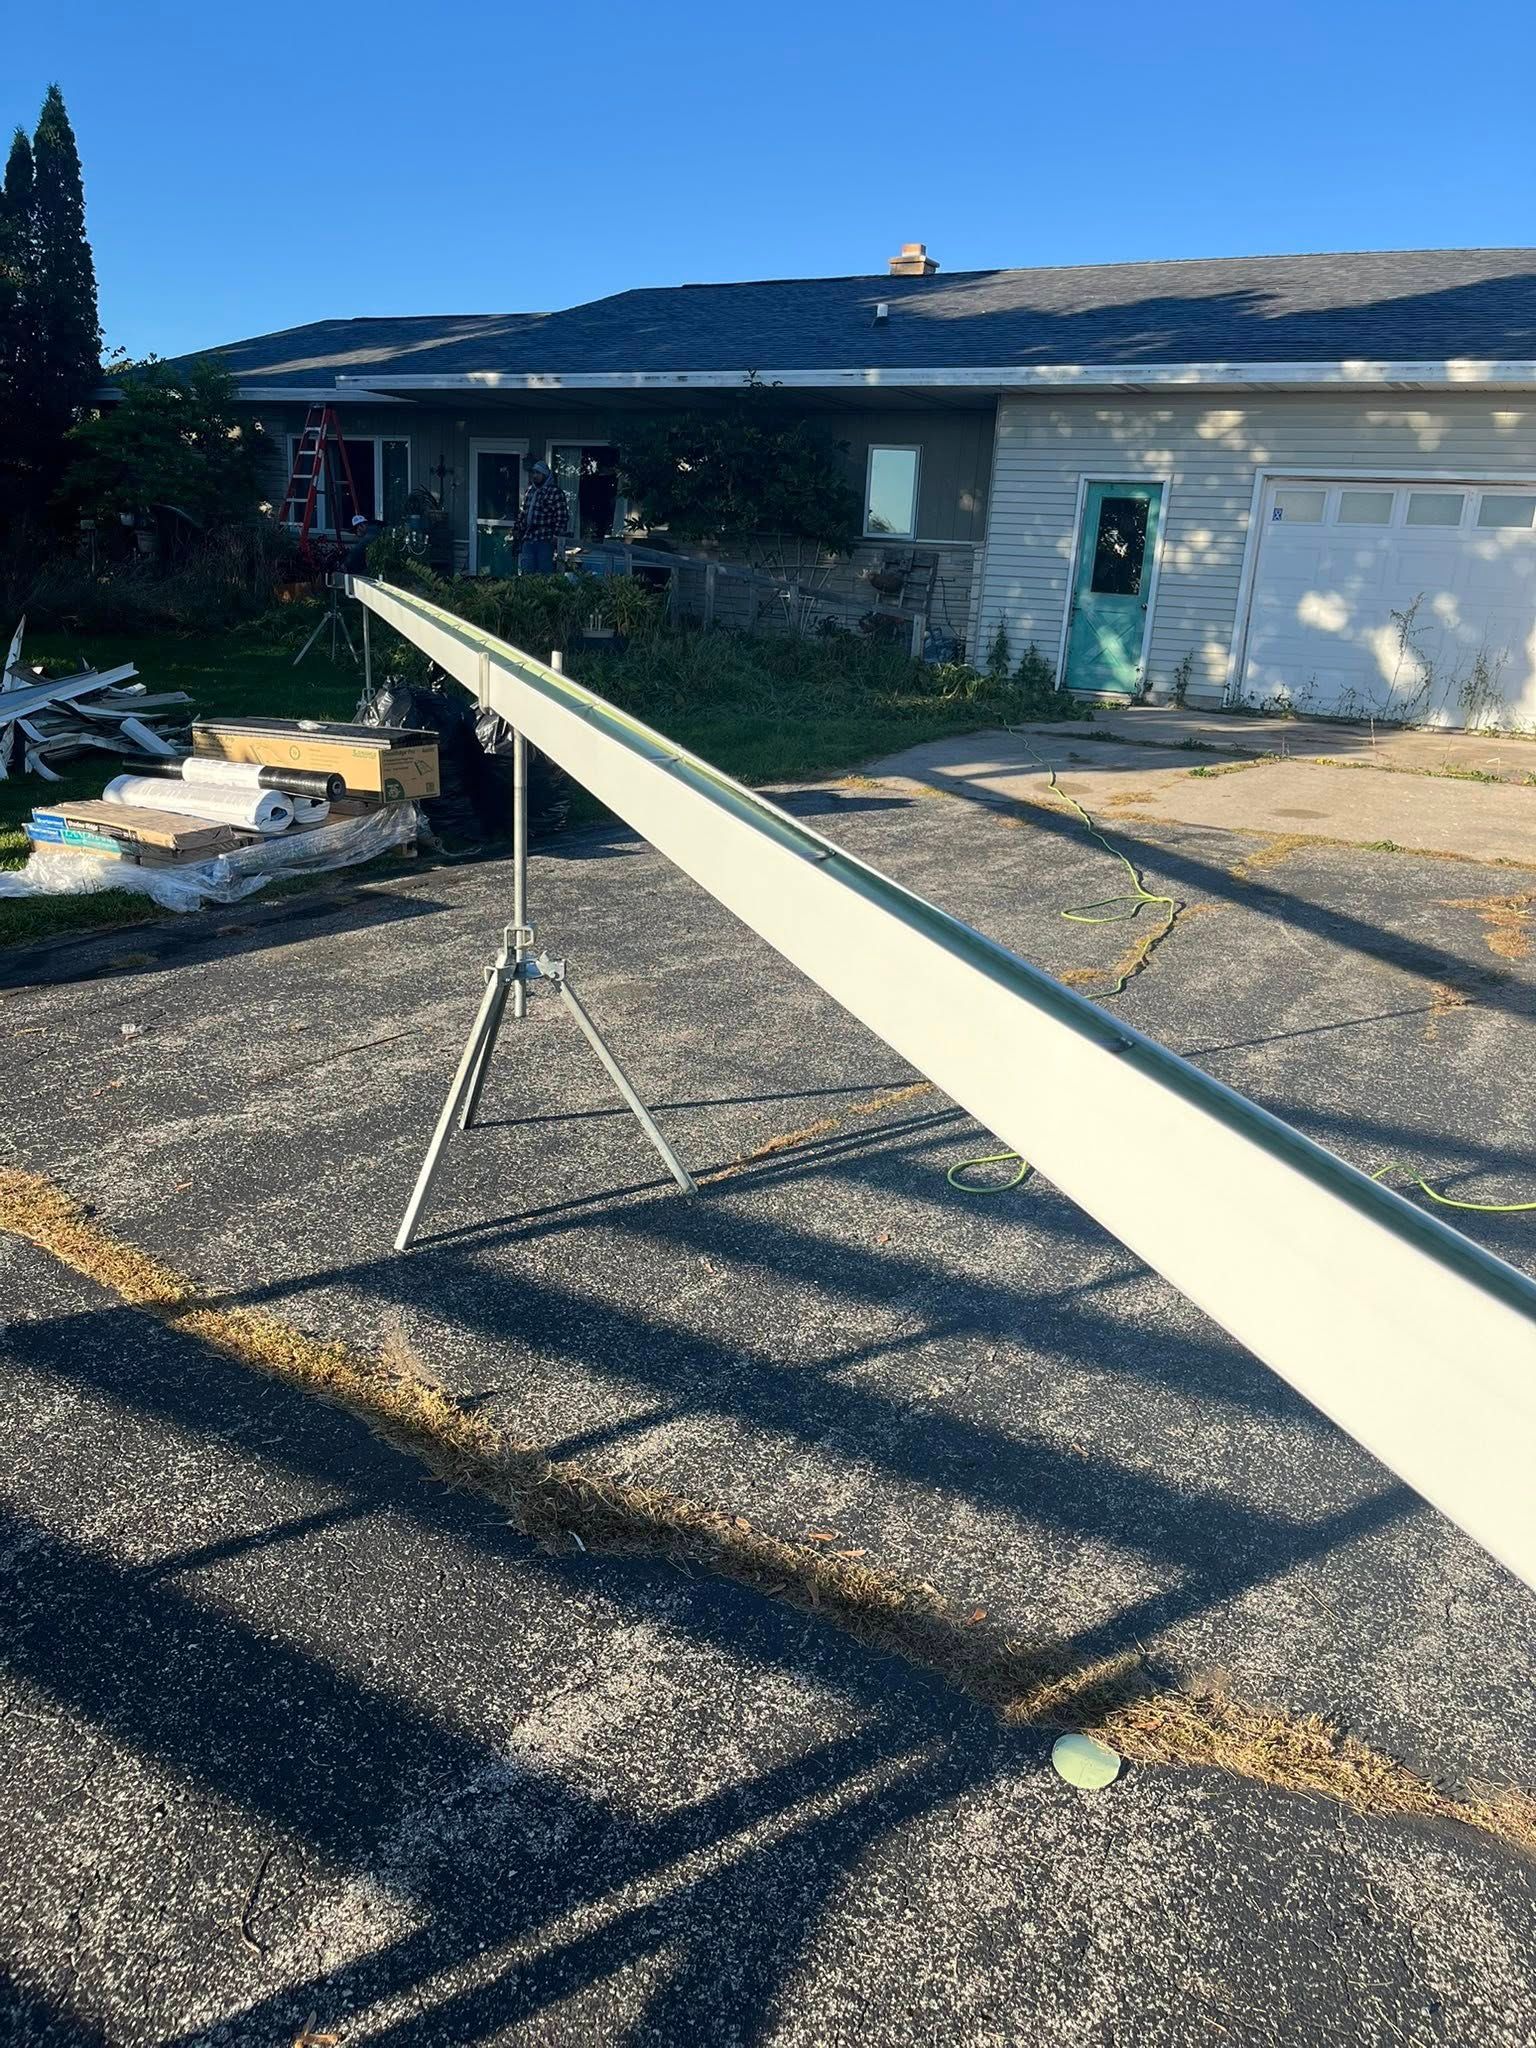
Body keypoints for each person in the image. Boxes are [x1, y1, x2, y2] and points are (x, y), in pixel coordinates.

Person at [515, 460, 569, 575]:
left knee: (545, 572)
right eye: (533, 473)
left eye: (538, 473)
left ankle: (545, 593)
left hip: (545, 539)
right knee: (527, 572)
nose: (535, 476)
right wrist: (517, 529)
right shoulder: (530, 491)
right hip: (529, 538)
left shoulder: (555, 492)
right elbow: (523, 512)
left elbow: (562, 516)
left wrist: (556, 536)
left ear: (545, 475)